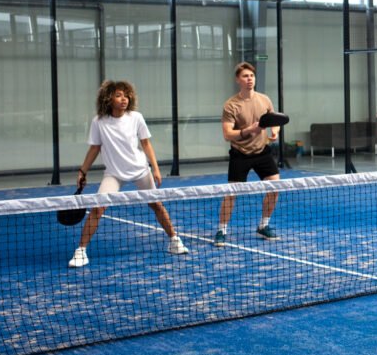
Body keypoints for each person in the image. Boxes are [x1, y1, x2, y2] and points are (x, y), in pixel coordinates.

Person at [69, 80, 188, 268]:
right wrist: (82, 171)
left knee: (156, 205)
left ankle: (174, 240)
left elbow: (146, 144)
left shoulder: (136, 117)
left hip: (140, 169)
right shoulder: (99, 122)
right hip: (114, 174)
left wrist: (155, 169)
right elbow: (94, 148)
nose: (124, 99)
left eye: (126, 95)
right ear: (108, 99)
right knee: (98, 209)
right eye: (118, 95)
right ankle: (81, 251)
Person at [215, 62, 281, 246]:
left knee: (275, 188)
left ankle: (263, 225)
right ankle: (221, 229)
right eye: (245, 76)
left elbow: (273, 120)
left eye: (251, 76)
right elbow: (227, 134)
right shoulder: (231, 105)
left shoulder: (264, 100)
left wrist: (274, 131)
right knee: (231, 194)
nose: (249, 79)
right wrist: (248, 131)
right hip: (240, 153)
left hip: (262, 152)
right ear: (238, 80)